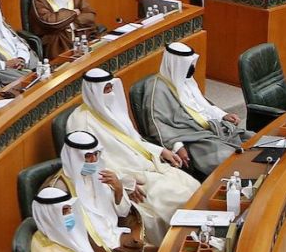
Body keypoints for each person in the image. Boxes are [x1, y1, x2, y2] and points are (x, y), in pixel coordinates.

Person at [65, 69, 197, 243]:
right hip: (130, 177)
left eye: (111, 89)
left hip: (149, 165)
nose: (111, 94)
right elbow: (89, 163)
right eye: (106, 90)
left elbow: (135, 141)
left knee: (194, 187)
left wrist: (161, 151)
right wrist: (125, 184)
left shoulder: (113, 109)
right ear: (93, 91)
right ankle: (175, 246)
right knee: (177, 199)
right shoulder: (80, 122)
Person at [49, 131, 154, 252]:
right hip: (94, 247)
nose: (93, 160)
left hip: (117, 235)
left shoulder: (99, 173)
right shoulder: (60, 190)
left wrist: (118, 189)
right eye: (87, 156)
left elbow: (123, 213)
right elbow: (68, 234)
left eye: (96, 154)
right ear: (74, 157)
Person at [140, 43, 244, 177]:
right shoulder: (157, 89)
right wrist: (177, 147)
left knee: (251, 141)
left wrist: (223, 115)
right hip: (190, 137)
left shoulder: (186, 80)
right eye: (188, 64)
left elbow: (202, 106)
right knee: (228, 160)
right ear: (176, 65)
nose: (192, 68)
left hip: (210, 128)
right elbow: (158, 125)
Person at [31, 0, 102, 59]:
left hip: (81, 37)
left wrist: (68, 23)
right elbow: (50, 21)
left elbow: (90, 15)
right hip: (57, 42)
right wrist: (74, 13)